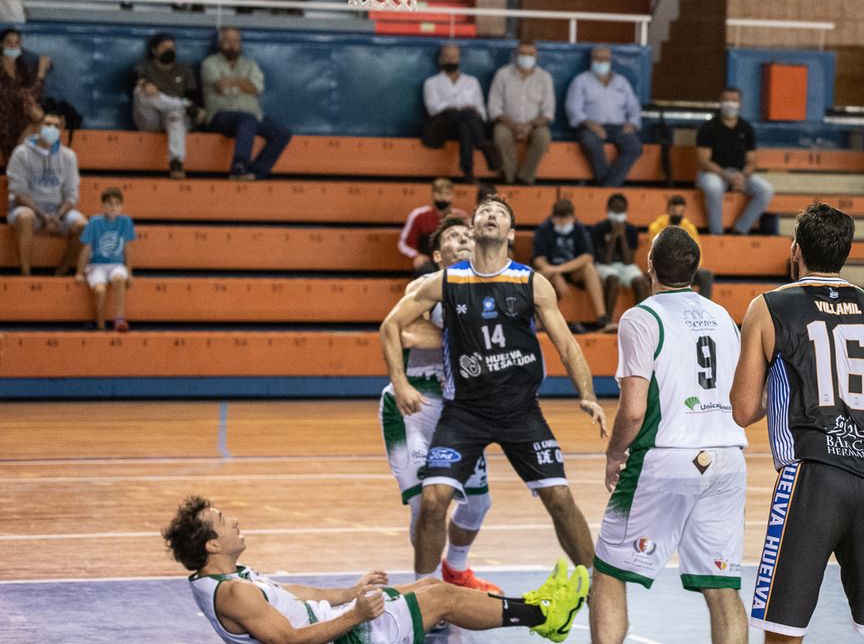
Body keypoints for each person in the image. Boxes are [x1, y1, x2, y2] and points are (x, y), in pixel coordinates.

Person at [731, 202, 864, 643]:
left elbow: (743, 409)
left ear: (795, 250)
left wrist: (791, 390)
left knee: (783, 629)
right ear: (846, 253)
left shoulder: (768, 307)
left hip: (811, 478)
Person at [380, 195, 607, 582]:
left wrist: (587, 394)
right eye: (484, 210)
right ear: (475, 226)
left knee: (559, 497)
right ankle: (423, 596)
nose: (490, 215)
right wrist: (399, 381)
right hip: (463, 412)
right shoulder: (446, 280)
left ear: (510, 233)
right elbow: (390, 326)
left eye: (500, 213)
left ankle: (597, 584)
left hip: (520, 410)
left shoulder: (531, 283)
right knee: (433, 500)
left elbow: (567, 344)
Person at [591, 226, 748, 644]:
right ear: (696, 270)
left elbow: (634, 408)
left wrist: (613, 453)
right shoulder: (724, 319)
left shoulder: (640, 317)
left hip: (666, 457)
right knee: (723, 587)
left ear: (649, 268)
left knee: (608, 571)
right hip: (727, 459)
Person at [164, 497, 587, 643]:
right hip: (342, 637)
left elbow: (294, 595)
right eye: (223, 520)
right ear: (212, 544)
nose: (234, 521)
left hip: (336, 624)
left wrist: (351, 592)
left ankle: (532, 604)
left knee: (426, 584)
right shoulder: (234, 593)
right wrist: (356, 615)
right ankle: (546, 616)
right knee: (440, 599)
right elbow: (289, 640)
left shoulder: (230, 579)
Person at [377, 217, 500, 594]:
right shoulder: (424, 286)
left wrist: (443, 335)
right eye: (452, 236)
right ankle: (425, 590)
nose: (462, 238)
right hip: (415, 404)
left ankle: (456, 570)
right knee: (426, 507)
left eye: (467, 234)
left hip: (460, 407)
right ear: (437, 254)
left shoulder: (493, 289)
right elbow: (398, 330)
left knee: (478, 504)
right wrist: (400, 381)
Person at [201, 28, 291, 181]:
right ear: (219, 43)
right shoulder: (209, 63)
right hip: (221, 115)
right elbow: (221, 87)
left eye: (236, 41)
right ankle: (239, 166)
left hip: (252, 116)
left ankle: (256, 172)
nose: (232, 45)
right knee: (247, 119)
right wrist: (243, 83)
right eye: (228, 41)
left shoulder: (250, 64)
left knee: (282, 133)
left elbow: (256, 88)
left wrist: (232, 82)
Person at [7, 112, 85, 277]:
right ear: (38, 127)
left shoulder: (69, 156)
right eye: (48, 124)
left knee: (83, 226)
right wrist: (43, 216)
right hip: (29, 209)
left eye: (56, 126)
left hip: (58, 211)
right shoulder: (21, 153)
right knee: (25, 218)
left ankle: (59, 275)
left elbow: (72, 195)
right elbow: (18, 192)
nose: (52, 129)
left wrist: (57, 215)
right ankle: (25, 275)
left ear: (62, 130)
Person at [696, 87, 774, 235]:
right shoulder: (708, 127)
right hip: (712, 173)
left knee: (766, 190)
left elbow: (752, 161)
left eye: (734, 100)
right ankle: (716, 233)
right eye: (726, 100)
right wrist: (727, 175)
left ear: (740, 103)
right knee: (713, 187)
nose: (730, 104)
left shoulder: (746, 128)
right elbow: (703, 161)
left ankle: (740, 230)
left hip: (740, 174)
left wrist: (742, 176)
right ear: (720, 102)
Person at [532, 198, 613, 334]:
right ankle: (539, 322)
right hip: (550, 272)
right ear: (553, 217)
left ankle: (601, 317)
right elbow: (538, 259)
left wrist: (559, 269)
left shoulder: (579, 229)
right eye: (559, 219)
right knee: (538, 275)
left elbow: (587, 256)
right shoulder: (544, 229)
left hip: (570, 270)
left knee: (589, 268)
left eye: (566, 219)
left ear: (573, 217)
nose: (563, 223)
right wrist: (554, 273)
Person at [421, 43, 498, 184]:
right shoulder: (431, 83)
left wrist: (471, 110)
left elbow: (481, 109)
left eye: (454, 57)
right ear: (440, 59)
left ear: (459, 59)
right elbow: (433, 108)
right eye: (447, 57)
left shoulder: (472, 82)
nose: (451, 60)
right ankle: (485, 149)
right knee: (465, 114)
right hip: (444, 126)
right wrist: (460, 108)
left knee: (465, 123)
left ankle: (468, 171)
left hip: (469, 125)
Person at [567, 46, 643, 187]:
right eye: (598, 58)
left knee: (635, 147)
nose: (602, 61)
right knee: (590, 142)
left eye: (605, 58)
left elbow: (634, 106)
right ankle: (609, 185)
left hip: (619, 126)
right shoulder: (581, 81)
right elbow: (573, 108)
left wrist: (632, 123)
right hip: (590, 126)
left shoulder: (622, 82)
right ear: (591, 60)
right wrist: (591, 124)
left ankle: (606, 185)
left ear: (610, 60)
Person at [132, 31, 202, 180]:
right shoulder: (145, 67)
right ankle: (178, 104)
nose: (169, 50)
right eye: (164, 47)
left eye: (172, 47)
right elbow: (135, 80)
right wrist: (145, 83)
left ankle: (176, 162)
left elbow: (193, 98)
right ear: (154, 50)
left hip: (175, 121)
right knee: (140, 91)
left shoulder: (184, 70)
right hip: (150, 120)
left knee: (175, 114)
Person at [487, 40, 554, 186]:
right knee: (500, 134)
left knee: (544, 137)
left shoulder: (544, 77)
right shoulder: (502, 74)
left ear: (536, 56)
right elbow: (494, 108)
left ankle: (524, 179)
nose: (526, 57)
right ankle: (510, 180)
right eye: (522, 53)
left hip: (535, 125)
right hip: (507, 123)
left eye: (530, 54)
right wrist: (513, 126)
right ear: (516, 55)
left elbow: (548, 112)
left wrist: (530, 125)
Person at [74, 186, 136, 333]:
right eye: (109, 203)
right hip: (97, 265)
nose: (113, 207)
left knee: (119, 279)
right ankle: (100, 324)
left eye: (117, 204)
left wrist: (130, 271)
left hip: (116, 264)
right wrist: (79, 272)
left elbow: (127, 248)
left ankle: (119, 318)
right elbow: (86, 248)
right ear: (103, 205)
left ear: (122, 206)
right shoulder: (94, 222)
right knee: (100, 290)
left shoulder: (126, 221)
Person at [644, 195, 715, 298]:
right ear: (668, 210)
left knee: (706, 275)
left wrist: (691, 269)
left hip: (685, 269)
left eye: (680, 212)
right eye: (674, 211)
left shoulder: (690, 228)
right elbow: (654, 253)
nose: (677, 214)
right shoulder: (656, 227)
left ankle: (701, 308)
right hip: (664, 269)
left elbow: (697, 252)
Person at [591, 192, 652, 312]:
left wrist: (622, 236)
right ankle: (607, 320)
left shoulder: (631, 230)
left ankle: (639, 319)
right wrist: (613, 236)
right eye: (615, 210)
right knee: (613, 279)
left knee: (640, 281)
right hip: (604, 266)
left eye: (621, 210)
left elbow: (629, 261)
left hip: (625, 266)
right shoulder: (598, 229)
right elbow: (605, 260)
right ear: (607, 209)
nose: (618, 213)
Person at [397, 177, 465, 272]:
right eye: (439, 194)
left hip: (453, 263)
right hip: (428, 263)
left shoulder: (460, 216)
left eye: (447, 194)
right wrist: (416, 256)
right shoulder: (419, 215)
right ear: (432, 194)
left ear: (452, 195)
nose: (443, 198)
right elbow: (404, 243)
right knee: (424, 270)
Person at [0, 27, 46, 159]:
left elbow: (36, 93)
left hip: (22, 119)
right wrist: (41, 73)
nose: (14, 46)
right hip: (4, 120)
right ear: (1, 44)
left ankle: (18, 164)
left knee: (41, 123)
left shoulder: (23, 68)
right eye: (9, 42)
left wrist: (41, 72)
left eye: (17, 42)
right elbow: (9, 93)